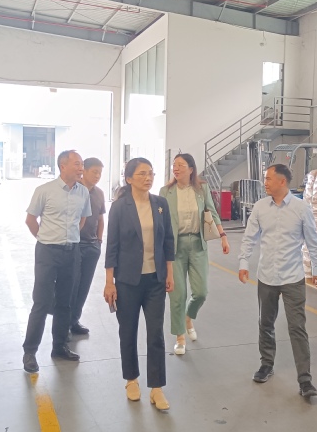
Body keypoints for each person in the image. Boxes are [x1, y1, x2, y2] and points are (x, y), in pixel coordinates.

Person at [238, 164, 317, 399]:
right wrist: (244, 263)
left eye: (268, 178)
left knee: (297, 327)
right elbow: (249, 238)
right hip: (266, 276)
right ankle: (266, 364)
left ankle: (305, 379)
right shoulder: (260, 207)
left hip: (293, 277)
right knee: (265, 323)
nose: (265, 182)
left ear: (282, 182)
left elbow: (312, 240)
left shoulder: (301, 208)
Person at [104, 158, 175, 411]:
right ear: (129, 178)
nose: (148, 178)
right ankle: (131, 379)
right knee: (128, 331)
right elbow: (112, 246)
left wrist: (169, 272)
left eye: (151, 173)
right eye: (142, 174)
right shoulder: (119, 207)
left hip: (155, 280)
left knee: (156, 334)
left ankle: (157, 388)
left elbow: (168, 240)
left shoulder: (160, 204)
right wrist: (109, 282)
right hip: (127, 281)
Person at [22, 150, 91, 374]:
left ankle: (59, 347)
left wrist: (68, 239)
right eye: (77, 164)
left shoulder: (83, 192)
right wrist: (45, 238)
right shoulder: (44, 191)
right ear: (63, 166)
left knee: (65, 302)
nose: (81, 168)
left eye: (82, 164)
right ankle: (30, 352)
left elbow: (82, 220)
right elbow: (30, 220)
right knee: (41, 302)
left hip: (72, 252)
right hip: (47, 252)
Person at [160, 153, 229, 355]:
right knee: (178, 294)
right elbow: (160, 221)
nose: (176, 168)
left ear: (191, 169)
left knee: (201, 292)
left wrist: (223, 235)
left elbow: (212, 212)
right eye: (174, 165)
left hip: (198, 244)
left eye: (180, 165)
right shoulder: (166, 192)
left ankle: (188, 316)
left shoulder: (201, 189)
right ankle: (180, 336)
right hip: (174, 247)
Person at [70, 157, 106, 335]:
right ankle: (63, 324)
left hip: (92, 247)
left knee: (84, 287)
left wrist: (99, 241)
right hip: (75, 245)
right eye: (94, 172)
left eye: (100, 173)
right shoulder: (73, 190)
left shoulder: (99, 193)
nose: (98, 176)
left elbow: (100, 218)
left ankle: (74, 321)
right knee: (72, 286)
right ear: (84, 171)